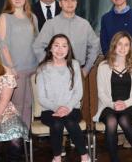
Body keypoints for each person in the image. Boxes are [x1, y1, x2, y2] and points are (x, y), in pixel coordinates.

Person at [93, 31, 132, 162]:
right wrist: (113, 104)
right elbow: (101, 93)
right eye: (119, 44)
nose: (123, 48)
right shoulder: (103, 66)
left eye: (126, 45)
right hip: (108, 105)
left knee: (124, 119)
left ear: (130, 47)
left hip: (130, 105)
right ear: (114, 45)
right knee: (111, 121)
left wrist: (125, 103)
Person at [36, 34, 91, 162]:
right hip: (49, 110)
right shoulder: (42, 68)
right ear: (50, 48)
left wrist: (67, 107)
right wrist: (57, 108)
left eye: (64, 46)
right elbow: (42, 97)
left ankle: (85, 157)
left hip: (72, 108)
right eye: (56, 45)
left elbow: (78, 93)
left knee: (71, 122)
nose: (60, 50)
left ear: (68, 49)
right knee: (57, 123)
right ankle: (57, 158)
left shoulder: (75, 65)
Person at [0, 0, 39, 129]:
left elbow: (36, 42)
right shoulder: (5, 17)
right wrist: (11, 68)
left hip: (32, 68)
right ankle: (15, 139)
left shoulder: (32, 17)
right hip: (16, 70)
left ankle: (25, 137)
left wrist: (40, 64)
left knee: (28, 105)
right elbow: (2, 45)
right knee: (17, 105)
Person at [33, 0, 100, 78]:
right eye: (66, 0)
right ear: (60, 3)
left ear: (76, 3)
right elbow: (37, 47)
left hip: (78, 72)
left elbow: (95, 45)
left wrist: (86, 69)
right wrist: (48, 66)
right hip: (55, 73)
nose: (70, 3)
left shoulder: (84, 24)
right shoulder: (50, 24)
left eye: (73, 0)